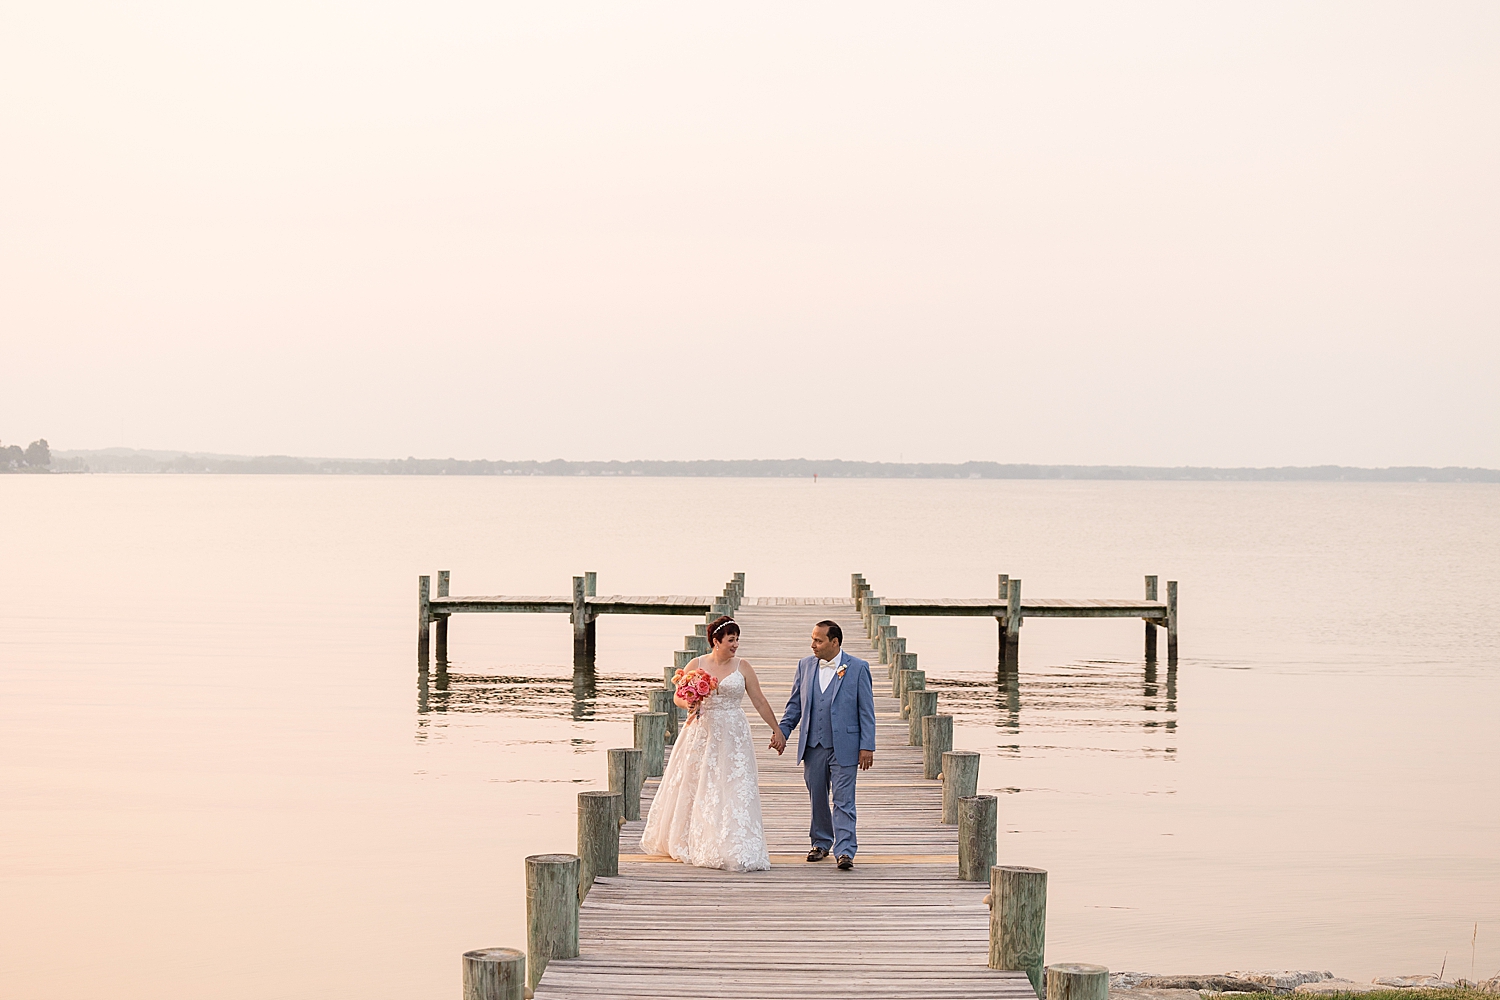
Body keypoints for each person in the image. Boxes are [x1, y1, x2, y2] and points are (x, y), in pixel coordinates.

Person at [639, 615, 781, 872]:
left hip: (733, 733)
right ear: (716, 641)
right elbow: (678, 698)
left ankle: (735, 841)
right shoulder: (697, 663)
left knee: (734, 783)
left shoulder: (743, 667)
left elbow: (759, 700)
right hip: (702, 730)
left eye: (737, 640)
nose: (736, 644)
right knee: (698, 782)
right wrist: (689, 703)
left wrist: (776, 729)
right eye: (731, 640)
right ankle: (691, 837)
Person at [775, 619, 875, 871]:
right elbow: (794, 705)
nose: (813, 645)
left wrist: (867, 746)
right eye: (812, 639)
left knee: (843, 800)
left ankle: (845, 851)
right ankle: (821, 842)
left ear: (835, 642)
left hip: (847, 745)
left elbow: (867, 712)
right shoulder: (805, 666)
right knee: (817, 796)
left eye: (818, 640)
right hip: (813, 744)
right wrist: (782, 733)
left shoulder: (858, 668)